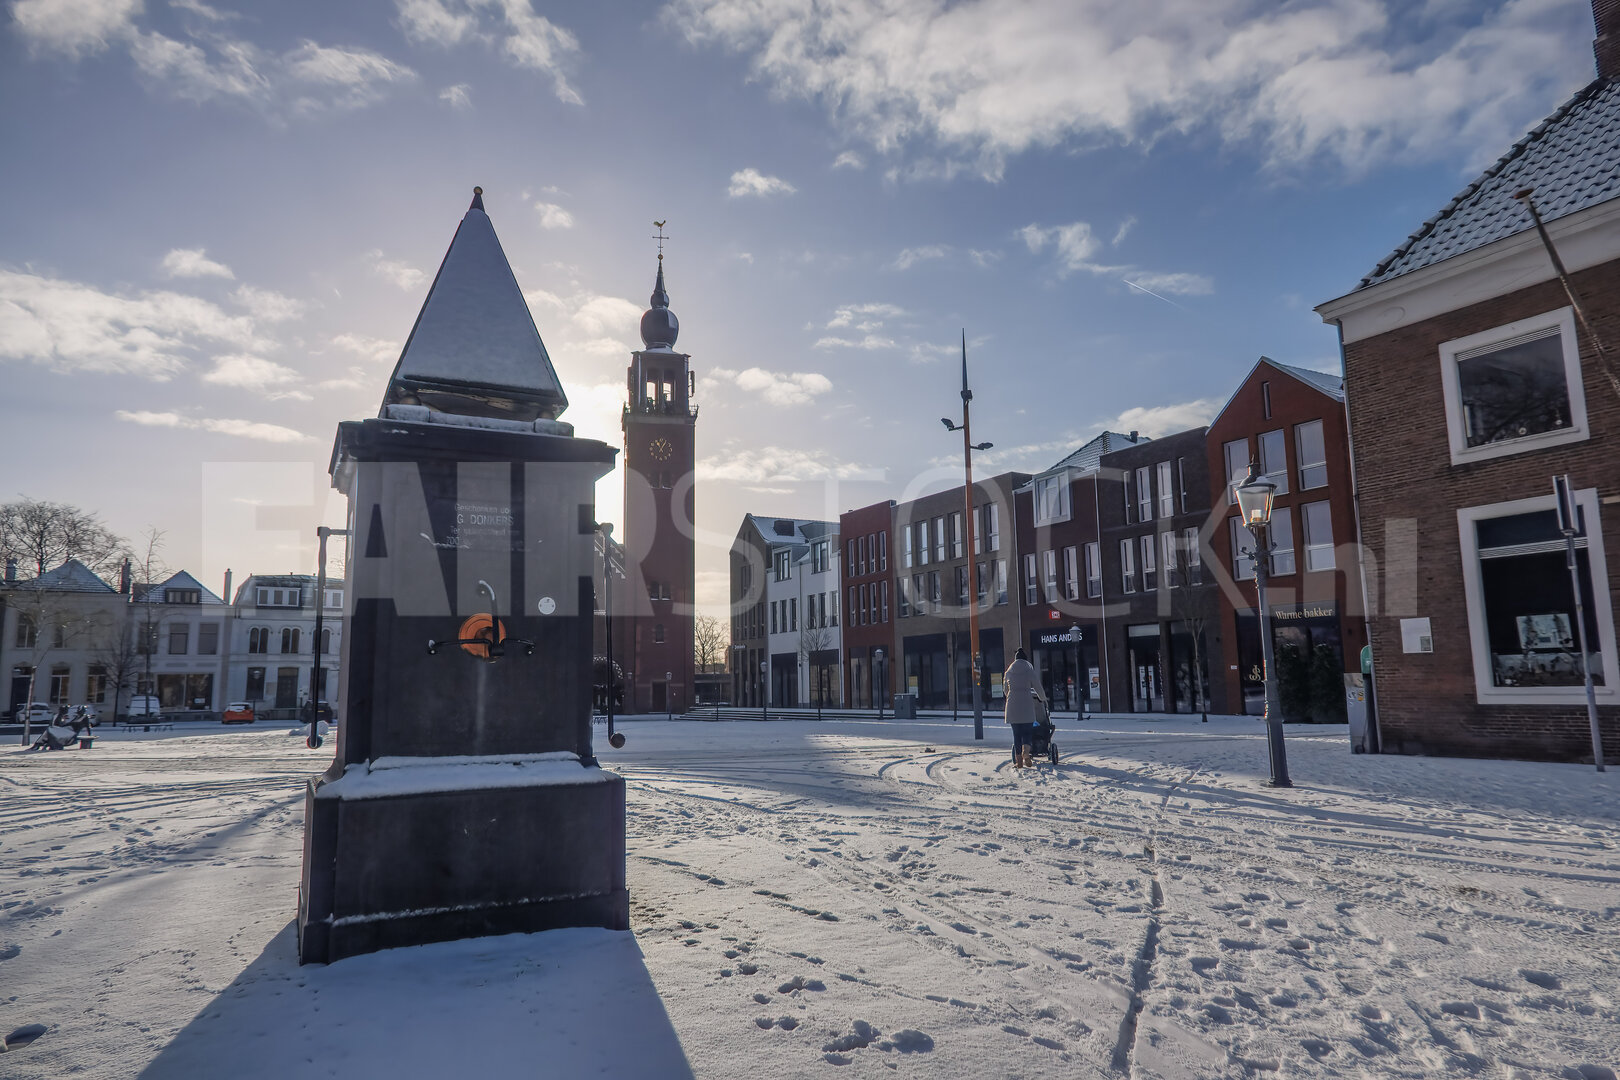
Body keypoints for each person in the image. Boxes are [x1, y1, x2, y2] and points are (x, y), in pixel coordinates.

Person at [1004, 648, 1046, 768]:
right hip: (1027, 704)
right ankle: (1026, 753)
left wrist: (1010, 697)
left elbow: (1005, 689)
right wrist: (1043, 698)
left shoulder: (1009, 671)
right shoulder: (1029, 670)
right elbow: (1038, 687)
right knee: (1027, 732)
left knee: (1016, 734)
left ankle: (1019, 761)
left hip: (1012, 705)